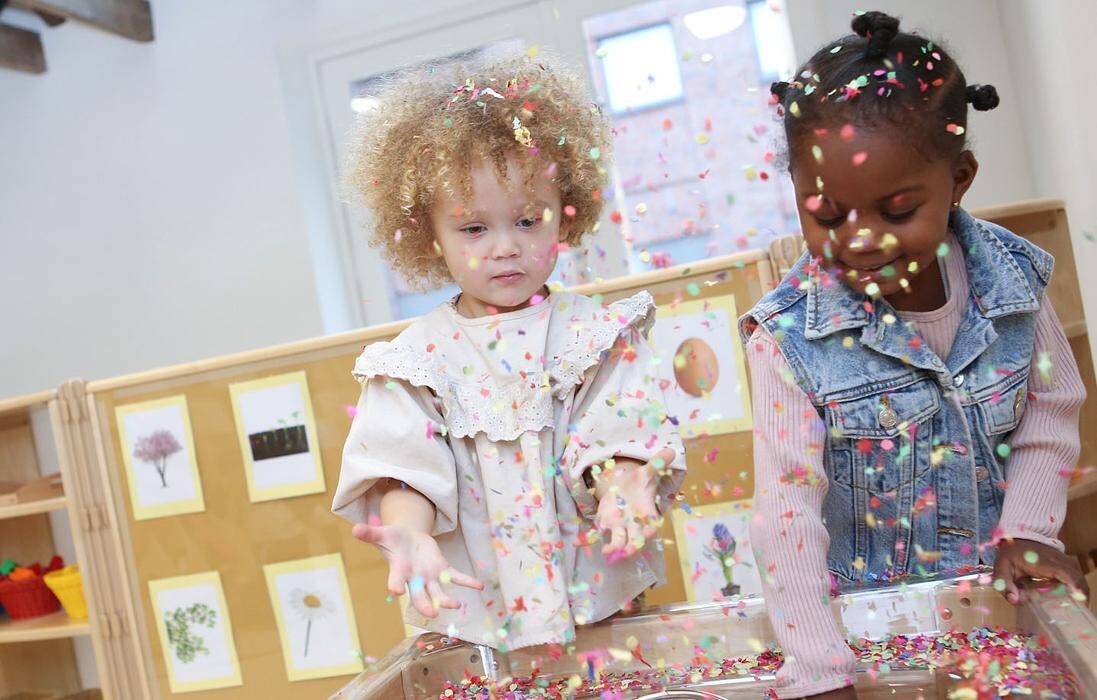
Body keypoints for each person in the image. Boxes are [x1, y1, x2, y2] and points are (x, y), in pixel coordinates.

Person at [740, 11, 1089, 698]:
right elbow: (784, 513)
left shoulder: (1013, 283)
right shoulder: (786, 339)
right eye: (828, 215)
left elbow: (1050, 412)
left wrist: (1029, 529)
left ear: (958, 179)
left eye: (896, 211)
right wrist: (817, 670)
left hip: (996, 615)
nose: (861, 239)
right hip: (867, 642)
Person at [331, 54, 684, 651]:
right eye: (473, 229)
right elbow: (406, 473)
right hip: (475, 625)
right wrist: (408, 532)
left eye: (527, 220)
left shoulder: (595, 336)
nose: (505, 248)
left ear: (566, 214)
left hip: (601, 610)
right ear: (429, 235)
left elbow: (620, 430)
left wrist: (625, 485)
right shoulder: (414, 361)